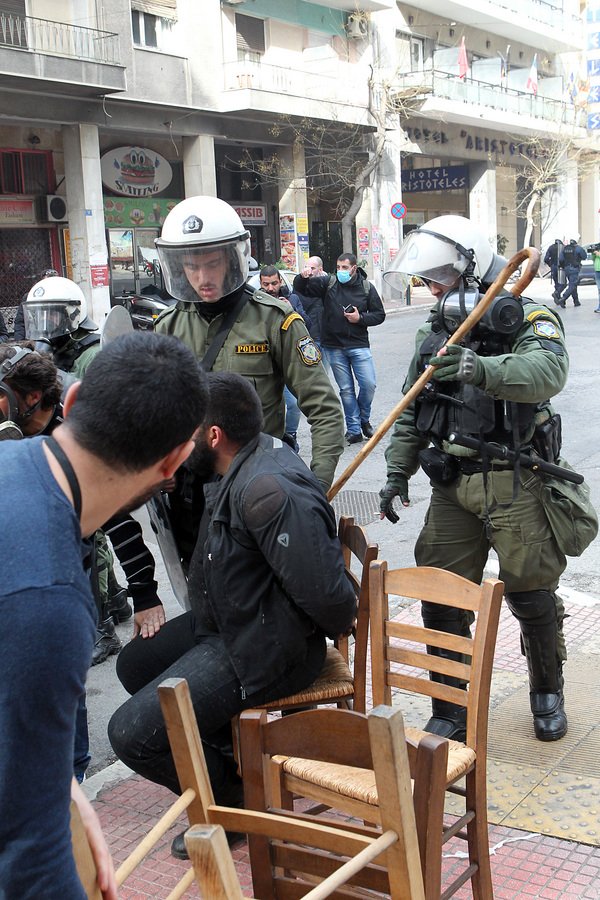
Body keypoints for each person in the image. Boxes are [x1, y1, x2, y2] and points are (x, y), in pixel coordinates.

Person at [108, 371, 357, 860]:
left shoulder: (268, 491)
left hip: (264, 649)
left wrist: (287, 633)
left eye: (187, 432)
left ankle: (233, 802)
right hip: (234, 623)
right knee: (132, 665)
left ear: (214, 436)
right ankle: (228, 759)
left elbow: (332, 600)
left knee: (129, 734)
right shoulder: (238, 466)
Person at [0, 330, 208, 900]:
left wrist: (60, 790)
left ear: (69, 403)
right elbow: (26, 852)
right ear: (176, 459)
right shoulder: (48, 600)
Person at [379, 214, 579, 744]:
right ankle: (449, 705)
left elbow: (549, 373)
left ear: (469, 266)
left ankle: (546, 690)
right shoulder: (435, 330)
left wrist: (481, 369)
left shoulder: (529, 317)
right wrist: (398, 471)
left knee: (532, 594)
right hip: (453, 484)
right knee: (441, 595)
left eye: (440, 275)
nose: (432, 287)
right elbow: (411, 407)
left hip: (516, 480)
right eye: (426, 278)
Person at [153, 196, 343, 493]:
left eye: (213, 264)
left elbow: (324, 408)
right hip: (187, 490)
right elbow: (159, 410)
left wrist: (317, 485)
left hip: (257, 486)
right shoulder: (167, 326)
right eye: (192, 267)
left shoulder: (275, 320)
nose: (203, 278)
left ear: (231, 260)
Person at [23, 275, 166, 659]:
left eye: (54, 316)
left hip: (92, 451)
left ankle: (102, 624)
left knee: (95, 538)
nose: (48, 324)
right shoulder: (45, 354)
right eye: (42, 316)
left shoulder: (88, 356)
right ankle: (116, 602)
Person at [294, 252, 385, 444]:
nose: (341, 271)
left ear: (353, 268)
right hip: (334, 346)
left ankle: (363, 419)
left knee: (369, 384)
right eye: (338, 267)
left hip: (358, 344)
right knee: (346, 389)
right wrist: (302, 277)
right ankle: (353, 429)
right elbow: (302, 289)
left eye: (345, 268)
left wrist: (360, 319)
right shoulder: (329, 283)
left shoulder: (367, 288)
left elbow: (379, 314)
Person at [258, 264, 311, 451]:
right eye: (266, 284)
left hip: (288, 362)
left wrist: (291, 311)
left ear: (280, 281)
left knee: (294, 404)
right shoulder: (254, 303)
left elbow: (308, 325)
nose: (270, 288)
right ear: (260, 284)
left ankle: (290, 435)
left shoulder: (293, 298)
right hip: (265, 365)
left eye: (274, 283)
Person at [12, 266, 60, 341]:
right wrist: (19, 342)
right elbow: (20, 322)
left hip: (58, 338)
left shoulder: (63, 296)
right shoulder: (30, 296)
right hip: (34, 338)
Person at [556, 238, 586, 308]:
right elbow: (584, 257)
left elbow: (560, 259)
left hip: (566, 269)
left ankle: (576, 301)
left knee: (573, 285)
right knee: (572, 285)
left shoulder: (565, 249)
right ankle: (563, 298)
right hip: (574, 268)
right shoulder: (578, 248)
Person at [592, 246, 600, 313]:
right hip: (597, 271)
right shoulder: (597, 250)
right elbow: (593, 259)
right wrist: (593, 254)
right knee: (599, 290)